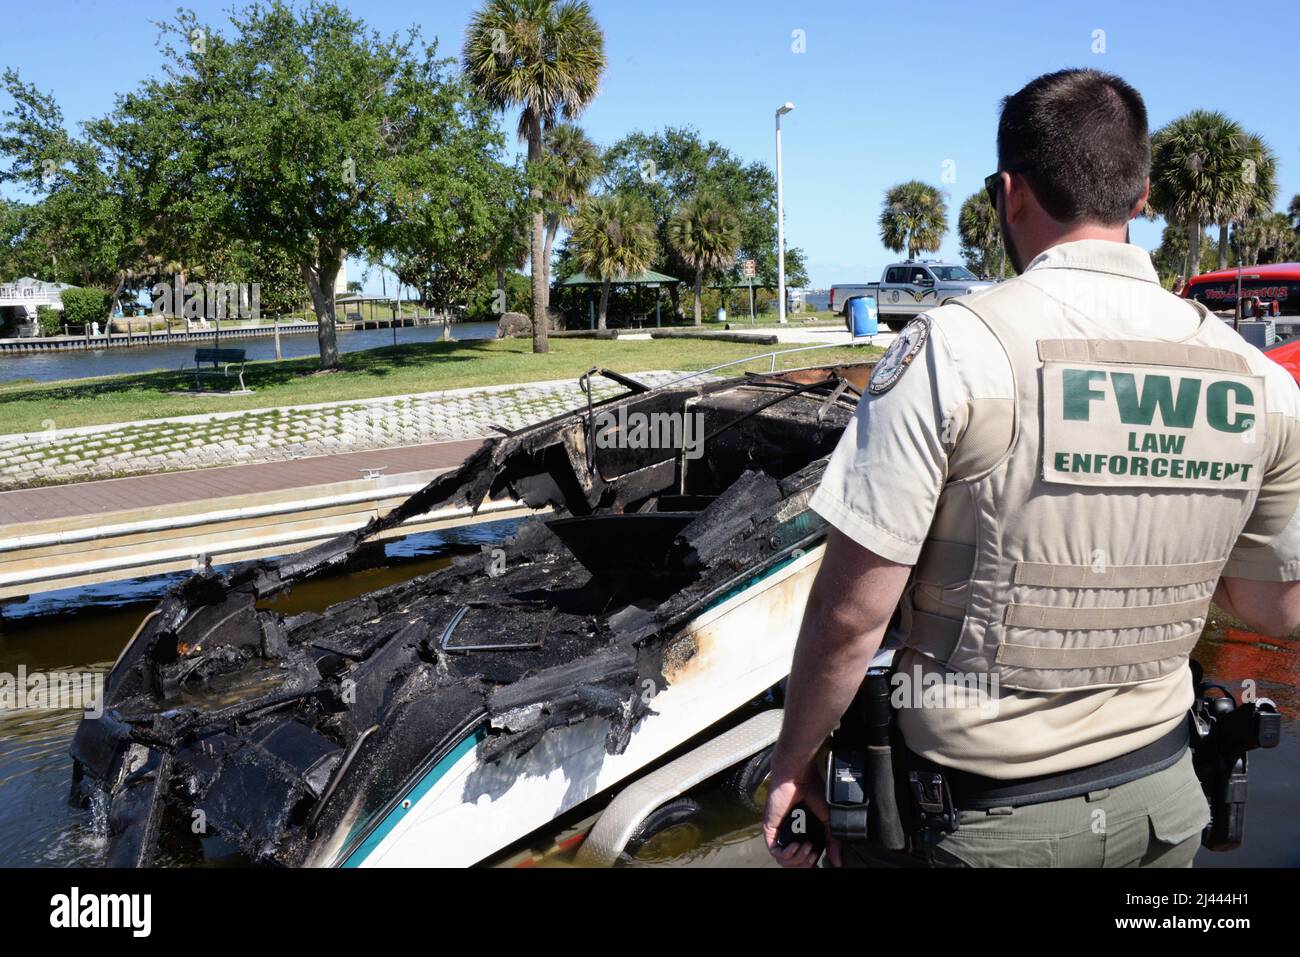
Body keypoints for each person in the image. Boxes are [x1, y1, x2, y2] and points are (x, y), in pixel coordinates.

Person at [764, 68, 1300, 869]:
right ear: (1142, 194)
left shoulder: (956, 349)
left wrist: (791, 759)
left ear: (1011, 193)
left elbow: (851, 616)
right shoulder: (1257, 381)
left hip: (984, 828)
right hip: (1164, 807)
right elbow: (1276, 606)